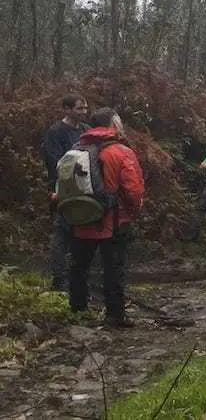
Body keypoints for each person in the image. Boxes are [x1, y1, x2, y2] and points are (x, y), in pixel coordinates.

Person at [68, 108, 145, 328]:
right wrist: (134, 210)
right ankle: (115, 314)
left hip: (81, 217)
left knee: (79, 267)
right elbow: (133, 189)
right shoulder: (121, 151)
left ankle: (78, 310)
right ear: (112, 123)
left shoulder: (78, 148)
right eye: (118, 120)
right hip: (113, 220)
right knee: (113, 268)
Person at [43, 94, 89, 290]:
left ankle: (78, 277)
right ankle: (59, 278)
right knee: (62, 232)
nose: (84, 112)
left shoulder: (86, 130)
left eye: (85, 108)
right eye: (79, 108)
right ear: (67, 109)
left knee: (82, 231)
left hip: (86, 187)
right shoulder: (55, 132)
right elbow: (54, 162)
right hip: (63, 187)